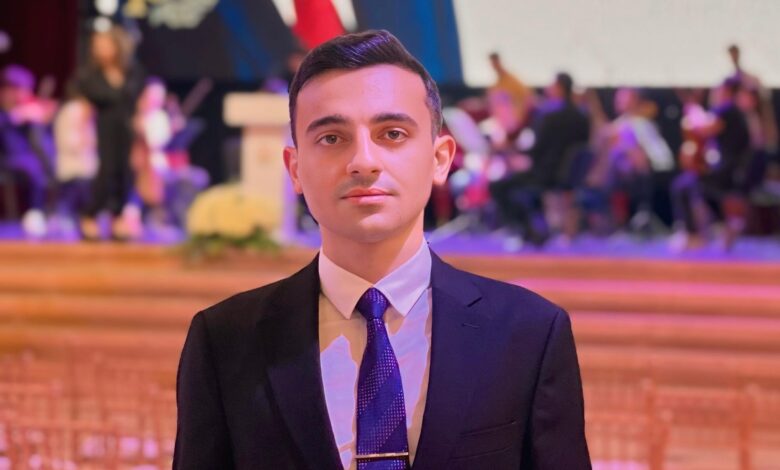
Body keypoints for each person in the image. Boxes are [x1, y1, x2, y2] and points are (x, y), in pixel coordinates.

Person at [174, 30, 590, 469]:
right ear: (294, 169)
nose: (363, 162)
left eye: (392, 133)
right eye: (332, 138)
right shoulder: (225, 341)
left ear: (440, 159)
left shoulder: (528, 333)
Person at [75, 24, 145, 240]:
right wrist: (83, 133)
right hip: (104, 127)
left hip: (126, 127)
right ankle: (90, 214)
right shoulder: (90, 75)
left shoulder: (132, 72)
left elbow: (138, 100)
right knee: (106, 171)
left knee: (125, 172)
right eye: (98, 45)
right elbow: (85, 107)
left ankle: (118, 217)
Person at [0, 64, 57, 237]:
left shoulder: (26, 111)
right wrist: (14, 116)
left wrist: (42, 117)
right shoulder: (7, 113)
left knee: (49, 161)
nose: (24, 94)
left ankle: (50, 212)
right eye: (21, 89)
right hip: (6, 159)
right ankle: (36, 211)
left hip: (25, 157)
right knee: (32, 166)